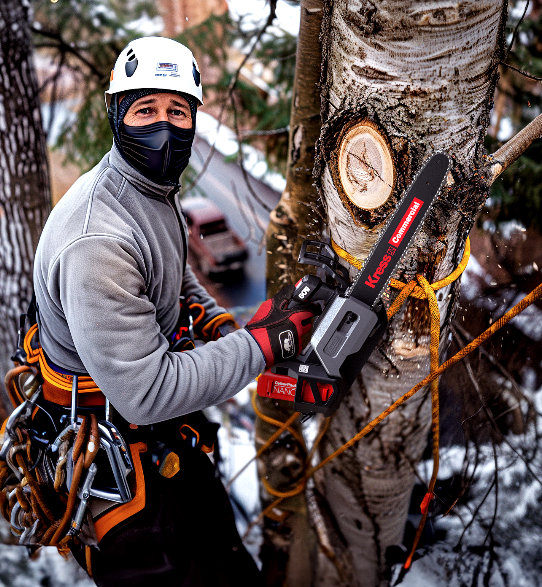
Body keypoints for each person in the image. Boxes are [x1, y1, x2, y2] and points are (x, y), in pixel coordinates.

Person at [31, 37, 318, 586]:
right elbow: (147, 390)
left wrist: (215, 320)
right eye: (145, 110)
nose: (162, 126)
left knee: (231, 568)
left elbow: (170, 268)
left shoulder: (146, 189)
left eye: (176, 110)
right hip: (122, 484)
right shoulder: (96, 241)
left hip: (158, 437)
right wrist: (262, 343)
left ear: (193, 119)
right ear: (118, 114)